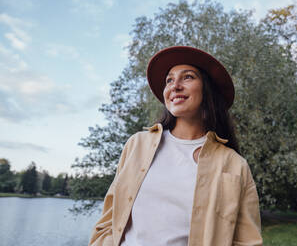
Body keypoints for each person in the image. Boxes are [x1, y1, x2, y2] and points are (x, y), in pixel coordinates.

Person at [89, 46, 262, 246]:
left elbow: (248, 241)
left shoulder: (234, 165)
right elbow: (108, 221)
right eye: (169, 80)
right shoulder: (137, 144)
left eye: (188, 77)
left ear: (207, 89)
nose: (175, 86)